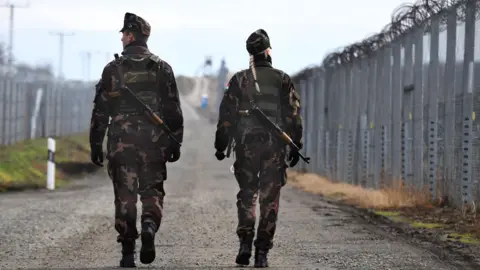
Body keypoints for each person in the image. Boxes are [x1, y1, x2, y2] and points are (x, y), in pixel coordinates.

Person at [89, 12, 183, 268]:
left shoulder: (112, 69)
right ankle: (150, 225)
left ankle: (128, 252)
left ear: (130, 35)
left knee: (125, 195)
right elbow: (173, 109)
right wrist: (175, 141)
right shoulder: (162, 68)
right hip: (153, 142)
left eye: (123, 34)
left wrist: (96, 144)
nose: (121, 38)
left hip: (121, 142)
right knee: (152, 190)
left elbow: (100, 111)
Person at [213, 29, 303, 268]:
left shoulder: (239, 80)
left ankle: (245, 242)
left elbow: (226, 117)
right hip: (274, 147)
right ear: (268, 51)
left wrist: (221, 145)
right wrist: (295, 145)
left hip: (246, 146)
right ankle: (261, 253)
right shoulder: (283, 79)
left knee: (247, 194)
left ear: (250, 54)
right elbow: (294, 116)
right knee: (269, 200)